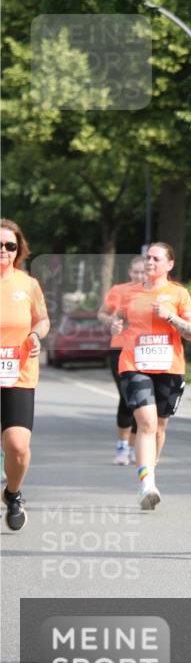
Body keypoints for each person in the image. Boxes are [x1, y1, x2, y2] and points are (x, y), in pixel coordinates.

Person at [117, 242, 191, 510]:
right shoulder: (129, 293)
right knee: (147, 423)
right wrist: (114, 324)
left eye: (156, 258)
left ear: (169, 264)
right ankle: (147, 484)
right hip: (134, 363)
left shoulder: (179, 294)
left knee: (160, 427)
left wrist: (172, 317)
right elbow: (115, 320)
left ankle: (149, 469)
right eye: (147, 257)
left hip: (169, 367)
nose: (150, 262)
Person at [0, 220, 50, 531]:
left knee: (17, 446)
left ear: (19, 250)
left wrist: (36, 335)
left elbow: (43, 319)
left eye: (10, 246)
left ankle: (13, 493)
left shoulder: (27, 284)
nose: (3, 251)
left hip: (18, 373)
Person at [98, 255, 145, 465]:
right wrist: (111, 320)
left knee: (141, 400)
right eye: (136, 272)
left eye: (143, 272)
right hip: (119, 349)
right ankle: (122, 446)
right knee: (127, 397)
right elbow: (101, 313)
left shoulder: (154, 292)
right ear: (129, 272)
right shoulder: (119, 291)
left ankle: (135, 446)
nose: (139, 275)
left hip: (145, 351)